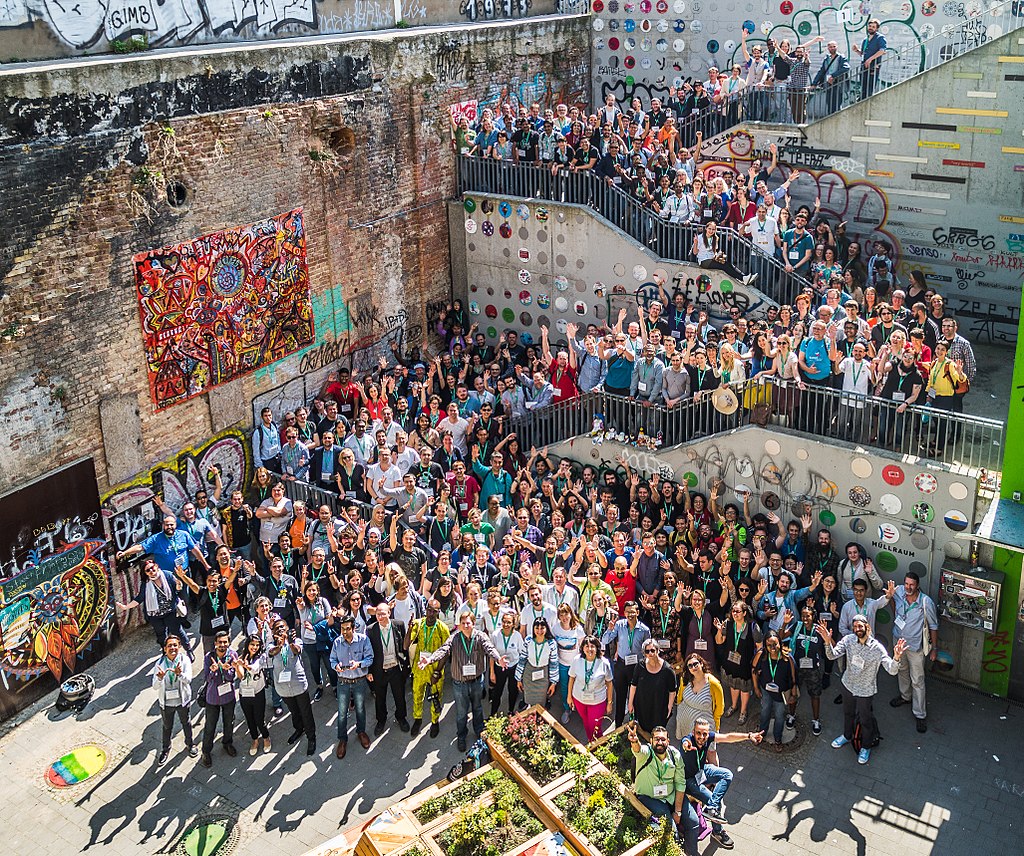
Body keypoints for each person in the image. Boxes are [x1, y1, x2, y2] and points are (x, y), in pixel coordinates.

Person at [818, 614, 907, 764]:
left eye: (860, 626)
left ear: (868, 627)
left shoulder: (877, 648)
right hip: (848, 685)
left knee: (865, 720)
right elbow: (832, 656)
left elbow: (892, 670)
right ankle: (847, 736)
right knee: (848, 713)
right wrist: (827, 642)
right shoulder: (849, 640)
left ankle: (866, 747)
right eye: (855, 627)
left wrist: (897, 658)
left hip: (865, 690)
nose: (857, 629)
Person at [419, 611, 510, 752]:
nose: (466, 625)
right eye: (463, 623)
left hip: (476, 681)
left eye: (468, 623)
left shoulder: (480, 636)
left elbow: (489, 648)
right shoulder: (455, 638)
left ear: (474, 624)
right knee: (461, 712)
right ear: (460, 625)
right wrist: (430, 660)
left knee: (477, 708)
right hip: (459, 683)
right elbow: (444, 649)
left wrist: (498, 659)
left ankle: (479, 731)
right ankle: (461, 736)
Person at [679, 716, 763, 849]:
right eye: (698, 733)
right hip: (689, 779)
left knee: (727, 774)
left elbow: (728, 737)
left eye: (704, 733)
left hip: (702, 770)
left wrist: (749, 735)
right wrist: (686, 745)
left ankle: (711, 808)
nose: (701, 737)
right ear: (693, 732)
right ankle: (717, 832)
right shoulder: (688, 740)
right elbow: (685, 742)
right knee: (715, 801)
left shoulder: (708, 738)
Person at [626, 722, 697, 850]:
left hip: (671, 795)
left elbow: (680, 784)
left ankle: (691, 852)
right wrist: (635, 741)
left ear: (668, 741)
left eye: (663, 739)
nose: (660, 742)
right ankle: (676, 851)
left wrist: (678, 811)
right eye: (657, 739)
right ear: (651, 740)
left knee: (693, 822)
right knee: (671, 832)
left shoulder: (675, 755)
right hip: (650, 797)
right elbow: (638, 750)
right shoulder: (646, 753)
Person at [886, 571, 939, 732]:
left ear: (917, 586)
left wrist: (934, 649)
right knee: (901, 670)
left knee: (918, 680)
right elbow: (892, 601)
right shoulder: (899, 591)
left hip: (915, 647)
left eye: (912, 585)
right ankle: (905, 697)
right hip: (898, 642)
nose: (908, 587)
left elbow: (933, 626)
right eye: (907, 583)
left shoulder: (925, 602)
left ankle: (920, 714)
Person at [115, 557, 190, 651]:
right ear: (145, 573)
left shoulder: (167, 575)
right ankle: (165, 653)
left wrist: (179, 583)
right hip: (155, 615)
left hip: (170, 611)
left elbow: (178, 589)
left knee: (177, 631)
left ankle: (188, 649)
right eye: (148, 570)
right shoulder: (146, 583)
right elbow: (140, 598)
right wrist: (126, 607)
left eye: (152, 568)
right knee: (161, 636)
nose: (151, 571)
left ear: (157, 566)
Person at [269, 618, 317, 756]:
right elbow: (271, 653)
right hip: (283, 688)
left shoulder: (295, 641)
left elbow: (297, 651)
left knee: (306, 712)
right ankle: (299, 729)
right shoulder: (271, 645)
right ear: (273, 632)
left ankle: (311, 737)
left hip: (299, 685)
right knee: (294, 711)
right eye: (277, 628)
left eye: (282, 627)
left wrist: (289, 642)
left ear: (287, 628)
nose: (280, 630)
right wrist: (279, 645)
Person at [329, 615, 374, 758]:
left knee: (360, 709)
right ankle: (342, 739)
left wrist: (359, 664)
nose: (345, 632)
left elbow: (370, 658)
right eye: (342, 629)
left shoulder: (363, 640)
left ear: (354, 628)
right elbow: (332, 660)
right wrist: (336, 666)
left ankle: (361, 731)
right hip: (343, 681)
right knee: (342, 712)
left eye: (348, 628)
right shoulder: (337, 642)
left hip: (359, 681)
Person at [602, 600, 652, 727]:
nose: (630, 614)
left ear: (638, 612)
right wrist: (609, 629)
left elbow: (648, 649)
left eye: (633, 612)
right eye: (628, 612)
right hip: (621, 665)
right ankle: (618, 725)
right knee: (620, 695)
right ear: (624, 613)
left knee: (637, 697)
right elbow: (605, 640)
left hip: (637, 667)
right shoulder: (619, 625)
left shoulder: (644, 630)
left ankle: (637, 724)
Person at [406, 598, 451, 738]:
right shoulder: (418, 624)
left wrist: (437, 672)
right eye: (429, 610)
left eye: (435, 612)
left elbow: (446, 652)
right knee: (417, 694)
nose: (431, 614)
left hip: (435, 669)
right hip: (419, 668)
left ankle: (434, 721)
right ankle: (418, 719)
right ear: (425, 609)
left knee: (436, 697)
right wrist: (408, 630)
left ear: (438, 613)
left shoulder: (442, 628)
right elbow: (405, 646)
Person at [367, 602, 410, 736]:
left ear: (389, 613)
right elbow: (368, 652)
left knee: (399, 696)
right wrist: (369, 671)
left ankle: (401, 717)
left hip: (396, 668)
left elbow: (404, 645)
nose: (380, 616)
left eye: (383, 613)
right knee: (380, 698)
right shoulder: (370, 629)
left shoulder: (399, 625)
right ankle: (381, 720)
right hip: (380, 670)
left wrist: (406, 665)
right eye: (378, 614)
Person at [151, 634, 196, 765]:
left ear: (180, 646)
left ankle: (190, 744)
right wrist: (159, 678)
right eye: (169, 645)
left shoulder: (185, 660)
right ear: (165, 648)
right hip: (166, 702)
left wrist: (179, 674)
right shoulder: (159, 664)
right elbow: (154, 686)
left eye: (175, 645)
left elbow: (188, 680)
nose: (173, 648)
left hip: (183, 700)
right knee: (167, 727)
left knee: (186, 723)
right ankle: (165, 749)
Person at [751, 630, 796, 751]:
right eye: (769, 645)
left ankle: (777, 738)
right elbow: (754, 670)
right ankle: (762, 733)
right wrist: (755, 688)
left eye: (775, 644)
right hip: (766, 691)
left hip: (781, 694)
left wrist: (793, 693)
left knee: (779, 716)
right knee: (765, 712)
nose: (772, 647)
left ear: (780, 643)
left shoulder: (787, 658)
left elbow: (793, 677)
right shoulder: (762, 655)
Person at [199, 630, 238, 768]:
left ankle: (227, 743)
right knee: (210, 726)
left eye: (225, 642)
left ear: (229, 642)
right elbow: (206, 679)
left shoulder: (233, 655)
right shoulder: (208, 657)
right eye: (220, 642)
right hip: (213, 698)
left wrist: (226, 670)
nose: (222, 645)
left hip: (228, 696)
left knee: (229, 722)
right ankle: (206, 751)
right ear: (215, 643)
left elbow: (231, 678)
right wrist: (213, 670)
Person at [566, 634, 613, 741]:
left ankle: (599, 747)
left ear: (597, 648)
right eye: (587, 646)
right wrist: (569, 696)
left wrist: (609, 703)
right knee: (586, 722)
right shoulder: (577, 660)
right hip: (579, 699)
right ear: (582, 648)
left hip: (597, 701)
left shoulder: (604, 663)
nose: (590, 649)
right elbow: (571, 678)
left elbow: (609, 683)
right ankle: (591, 742)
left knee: (595, 727)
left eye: (592, 646)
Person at [626, 639, 678, 734]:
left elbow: (672, 691)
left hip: (659, 707)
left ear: (658, 650)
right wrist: (630, 703)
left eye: (653, 650)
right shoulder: (640, 666)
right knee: (643, 730)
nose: (650, 653)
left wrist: (669, 707)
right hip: (642, 705)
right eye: (647, 651)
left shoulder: (668, 670)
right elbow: (633, 685)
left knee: (657, 732)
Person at [235, 633, 271, 755]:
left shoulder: (261, 657)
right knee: (249, 719)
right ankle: (254, 739)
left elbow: (255, 668)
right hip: (244, 693)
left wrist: (247, 666)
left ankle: (266, 737)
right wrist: (237, 667)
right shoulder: (242, 656)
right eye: (252, 644)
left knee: (259, 719)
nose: (254, 647)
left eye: (257, 645)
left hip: (257, 693)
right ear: (247, 645)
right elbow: (240, 677)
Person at [676, 653, 724, 741]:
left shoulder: (713, 683)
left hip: (704, 726)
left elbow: (720, 707)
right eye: (690, 666)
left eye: (695, 664)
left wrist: (716, 722)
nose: (693, 667)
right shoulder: (685, 679)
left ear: (701, 663)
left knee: (709, 751)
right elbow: (679, 697)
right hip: (685, 722)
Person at [517, 616, 559, 711]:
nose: (539, 631)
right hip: (529, 673)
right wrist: (518, 678)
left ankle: (539, 720)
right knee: (528, 698)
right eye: (537, 628)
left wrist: (553, 683)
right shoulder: (528, 640)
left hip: (543, 674)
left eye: (542, 628)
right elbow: (522, 659)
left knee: (541, 700)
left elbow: (554, 664)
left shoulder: (551, 643)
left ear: (546, 629)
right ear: (533, 629)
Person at [853, 18, 887, 99]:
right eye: (870, 26)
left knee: (870, 87)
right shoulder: (865, 39)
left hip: (873, 66)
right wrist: (857, 50)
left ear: (877, 28)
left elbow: (882, 50)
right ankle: (862, 100)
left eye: (873, 27)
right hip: (864, 66)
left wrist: (870, 59)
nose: (871, 28)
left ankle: (867, 101)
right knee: (863, 86)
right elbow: (863, 54)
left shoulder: (880, 37)